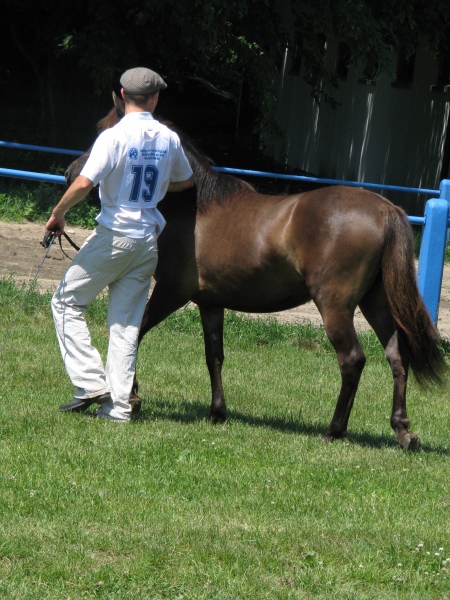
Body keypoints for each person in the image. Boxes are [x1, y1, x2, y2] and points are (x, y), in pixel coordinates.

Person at [45, 67, 195, 422]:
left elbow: (84, 183)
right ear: (155, 98)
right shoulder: (169, 138)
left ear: (123, 95)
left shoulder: (113, 137)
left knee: (65, 302)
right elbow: (186, 181)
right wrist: (158, 186)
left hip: (114, 236)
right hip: (147, 241)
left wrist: (58, 213)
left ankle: (90, 383)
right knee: (125, 326)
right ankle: (118, 409)